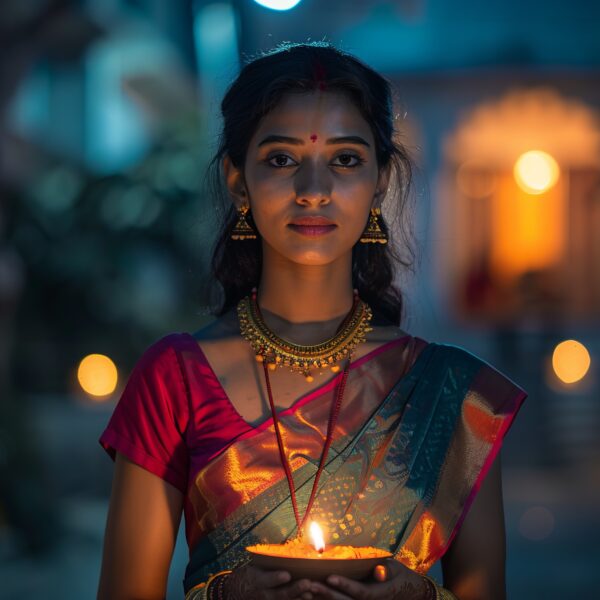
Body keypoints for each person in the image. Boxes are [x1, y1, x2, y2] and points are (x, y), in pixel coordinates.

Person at [97, 42, 526, 600]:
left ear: (380, 181)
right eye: (281, 159)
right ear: (237, 180)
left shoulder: (456, 396)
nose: (314, 191)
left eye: (345, 159)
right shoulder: (175, 377)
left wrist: (417, 596)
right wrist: (228, 595)